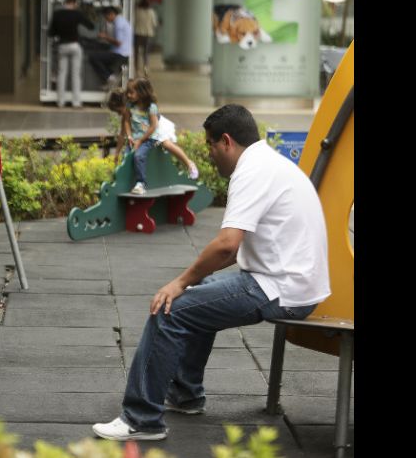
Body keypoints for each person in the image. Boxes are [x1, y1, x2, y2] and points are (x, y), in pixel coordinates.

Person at [92, 104, 330, 441]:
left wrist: (178, 283)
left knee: (169, 309)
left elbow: (226, 245)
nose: (208, 154)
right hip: (292, 283)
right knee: (197, 292)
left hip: (281, 289)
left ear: (227, 142)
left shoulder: (252, 172)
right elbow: (242, 246)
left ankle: (141, 419)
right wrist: (192, 282)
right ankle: (186, 395)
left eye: (210, 145)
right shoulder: (270, 163)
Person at [108, 79, 198, 195]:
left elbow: (153, 126)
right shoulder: (130, 109)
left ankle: (189, 163)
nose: (119, 114)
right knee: (131, 155)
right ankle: (131, 181)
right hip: (142, 131)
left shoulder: (148, 108)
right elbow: (123, 133)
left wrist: (140, 140)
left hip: (156, 127)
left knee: (166, 143)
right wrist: (117, 153)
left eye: (119, 111)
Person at [48, 0, 95, 108]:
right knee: (76, 75)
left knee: (61, 74)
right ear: (74, 3)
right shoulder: (77, 14)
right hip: (74, 45)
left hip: (62, 46)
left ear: (65, 2)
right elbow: (91, 26)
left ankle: (60, 102)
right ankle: (76, 102)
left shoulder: (57, 14)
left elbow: (51, 33)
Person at [89, 6, 132, 89]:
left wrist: (105, 36)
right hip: (122, 52)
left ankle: (110, 78)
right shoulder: (122, 21)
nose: (106, 20)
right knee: (102, 52)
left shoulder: (118, 23)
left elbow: (118, 43)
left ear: (111, 14)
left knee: (93, 57)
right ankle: (110, 78)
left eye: (106, 17)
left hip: (120, 54)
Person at [133, 0, 158, 76]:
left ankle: (137, 69)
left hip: (138, 33)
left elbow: (133, 21)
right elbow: (154, 24)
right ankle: (145, 68)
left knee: (136, 52)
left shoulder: (137, 11)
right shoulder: (151, 12)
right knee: (145, 53)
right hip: (147, 34)